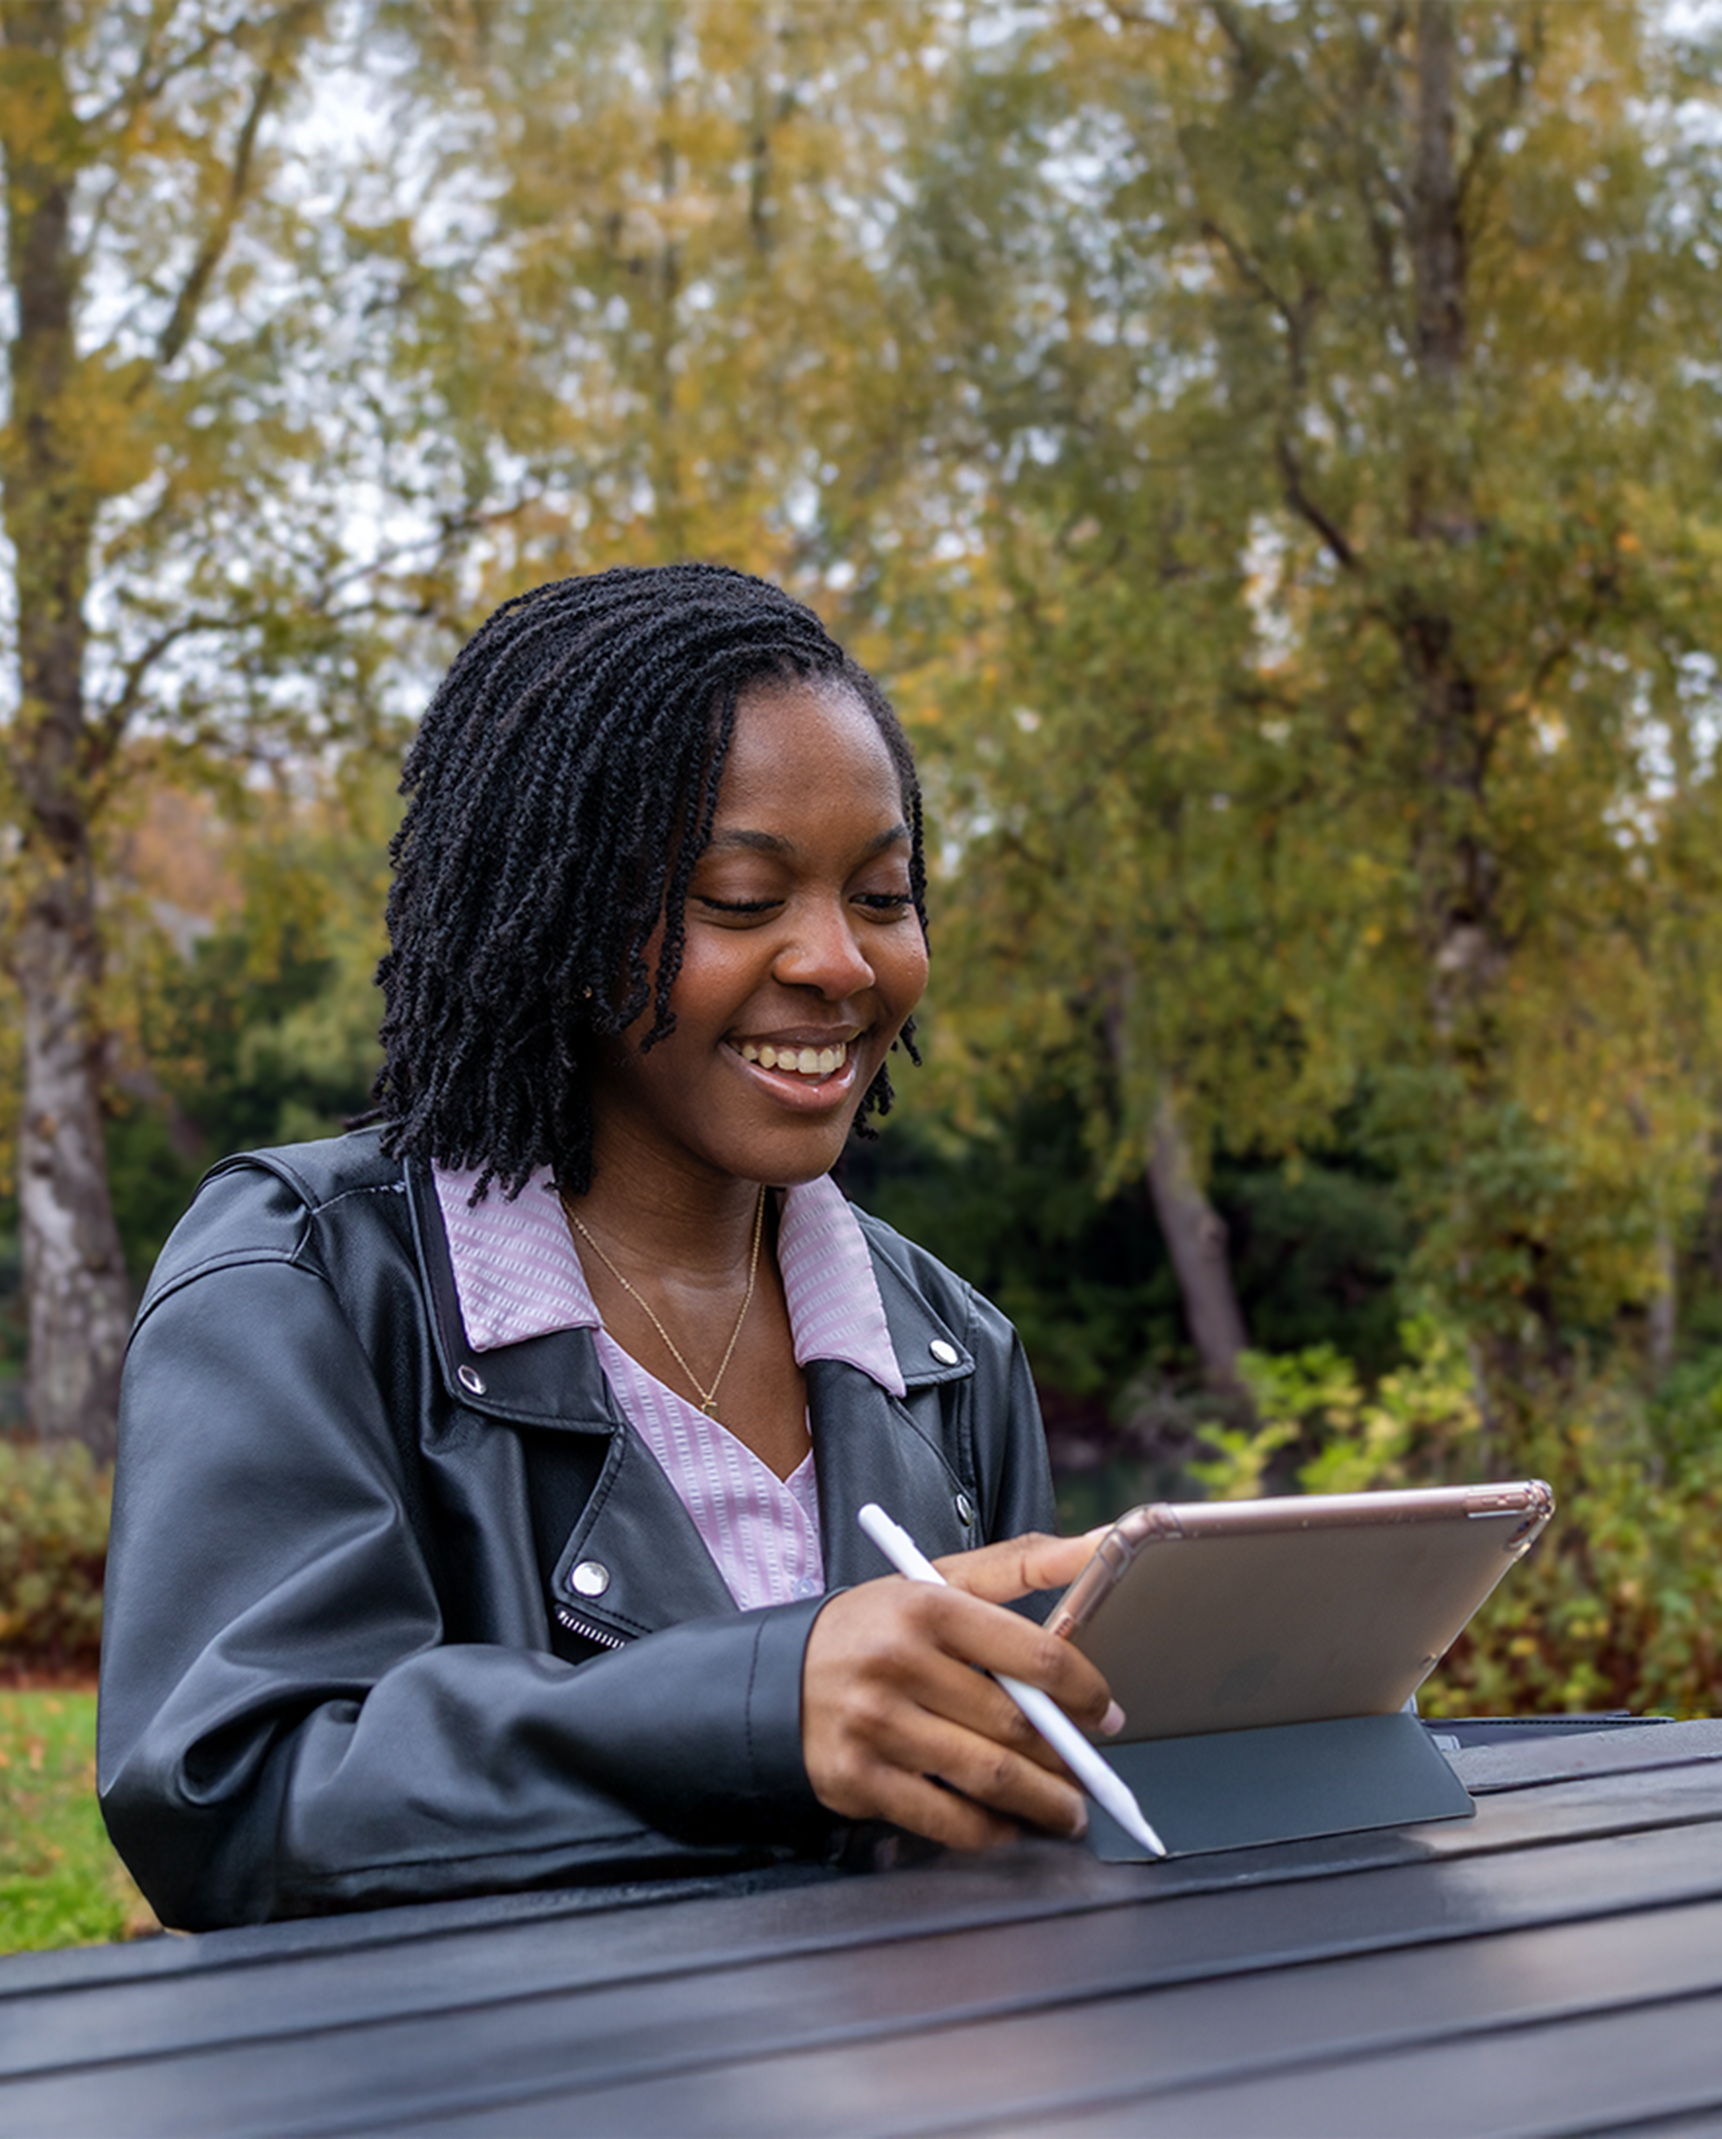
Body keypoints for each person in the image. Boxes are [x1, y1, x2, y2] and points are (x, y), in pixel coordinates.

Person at [98, 565, 1117, 1930]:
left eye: (880, 895)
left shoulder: (949, 1347)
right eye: (744, 899)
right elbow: (235, 1786)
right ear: (558, 917)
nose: (842, 962)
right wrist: (759, 1708)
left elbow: (1019, 1822)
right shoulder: (309, 1279)